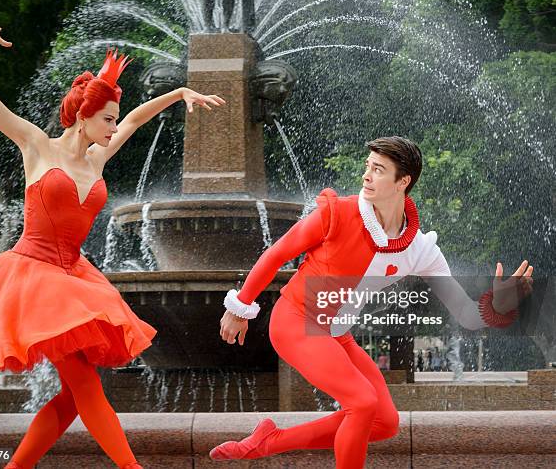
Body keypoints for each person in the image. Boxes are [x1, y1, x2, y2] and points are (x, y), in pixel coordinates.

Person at [0, 23, 225, 469]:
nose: (115, 128)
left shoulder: (97, 157)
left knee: (76, 395)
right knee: (85, 387)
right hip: (33, 279)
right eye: (107, 119)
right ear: (83, 117)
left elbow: (135, 119)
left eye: (114, 119)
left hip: (73, 277)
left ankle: (16, 467)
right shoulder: (36, 146)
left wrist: (180, 93)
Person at [210, 136, 533, 468]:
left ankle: (271, 441)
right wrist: (240, 308)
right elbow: (277, 254)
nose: (366, 176)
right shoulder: (338, 213)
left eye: (378, 170)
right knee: (362, 403)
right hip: (296, 320)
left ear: (402, 182)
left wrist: (500, 304)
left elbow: (466, 313)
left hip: (338, 335)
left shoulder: (421, 250)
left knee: (384, 422)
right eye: (368, 167)